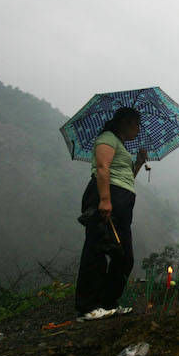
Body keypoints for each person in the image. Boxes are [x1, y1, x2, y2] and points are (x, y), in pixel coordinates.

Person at [75, 107, 147, 320]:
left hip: (122, 201)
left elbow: (127, 177)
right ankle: (87, 307)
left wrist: (140, 162)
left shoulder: (121, 146)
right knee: (96, 250)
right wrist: (105, 200)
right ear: (124, 122)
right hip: (106, 197)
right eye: (136, 123)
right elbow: (102, 168)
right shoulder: (107, 138)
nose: (138, 128)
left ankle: (108, 303)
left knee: (124, 255)